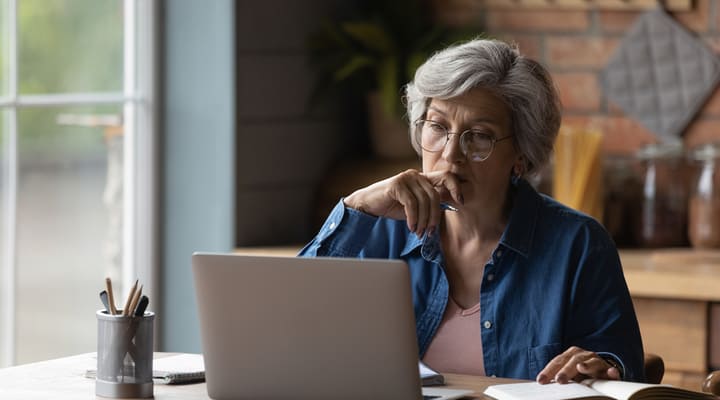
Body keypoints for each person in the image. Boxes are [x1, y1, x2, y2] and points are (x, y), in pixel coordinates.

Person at [299, 38, 645, 383]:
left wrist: (599, 365)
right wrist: (356, 206)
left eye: (479, 136)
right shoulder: (379, 228)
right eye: (437, 127)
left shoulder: (579, 244)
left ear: (521, 156)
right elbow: (291, 322)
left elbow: (619, 364)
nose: (451, 154)